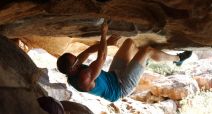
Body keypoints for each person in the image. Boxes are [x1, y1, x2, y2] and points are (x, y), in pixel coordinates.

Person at [57, 19, 192, 102]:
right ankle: (178, 59)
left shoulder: (73, 68)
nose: (78, 59)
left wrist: (108, 43)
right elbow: (102, 57)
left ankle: (142, 62)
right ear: (72, 69)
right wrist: (104, 33)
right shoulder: (84, 79)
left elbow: (87, 52)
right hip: (121, 87)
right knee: (147, 51)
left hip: (113, 75)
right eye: (76, 61)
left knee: (129, 43)